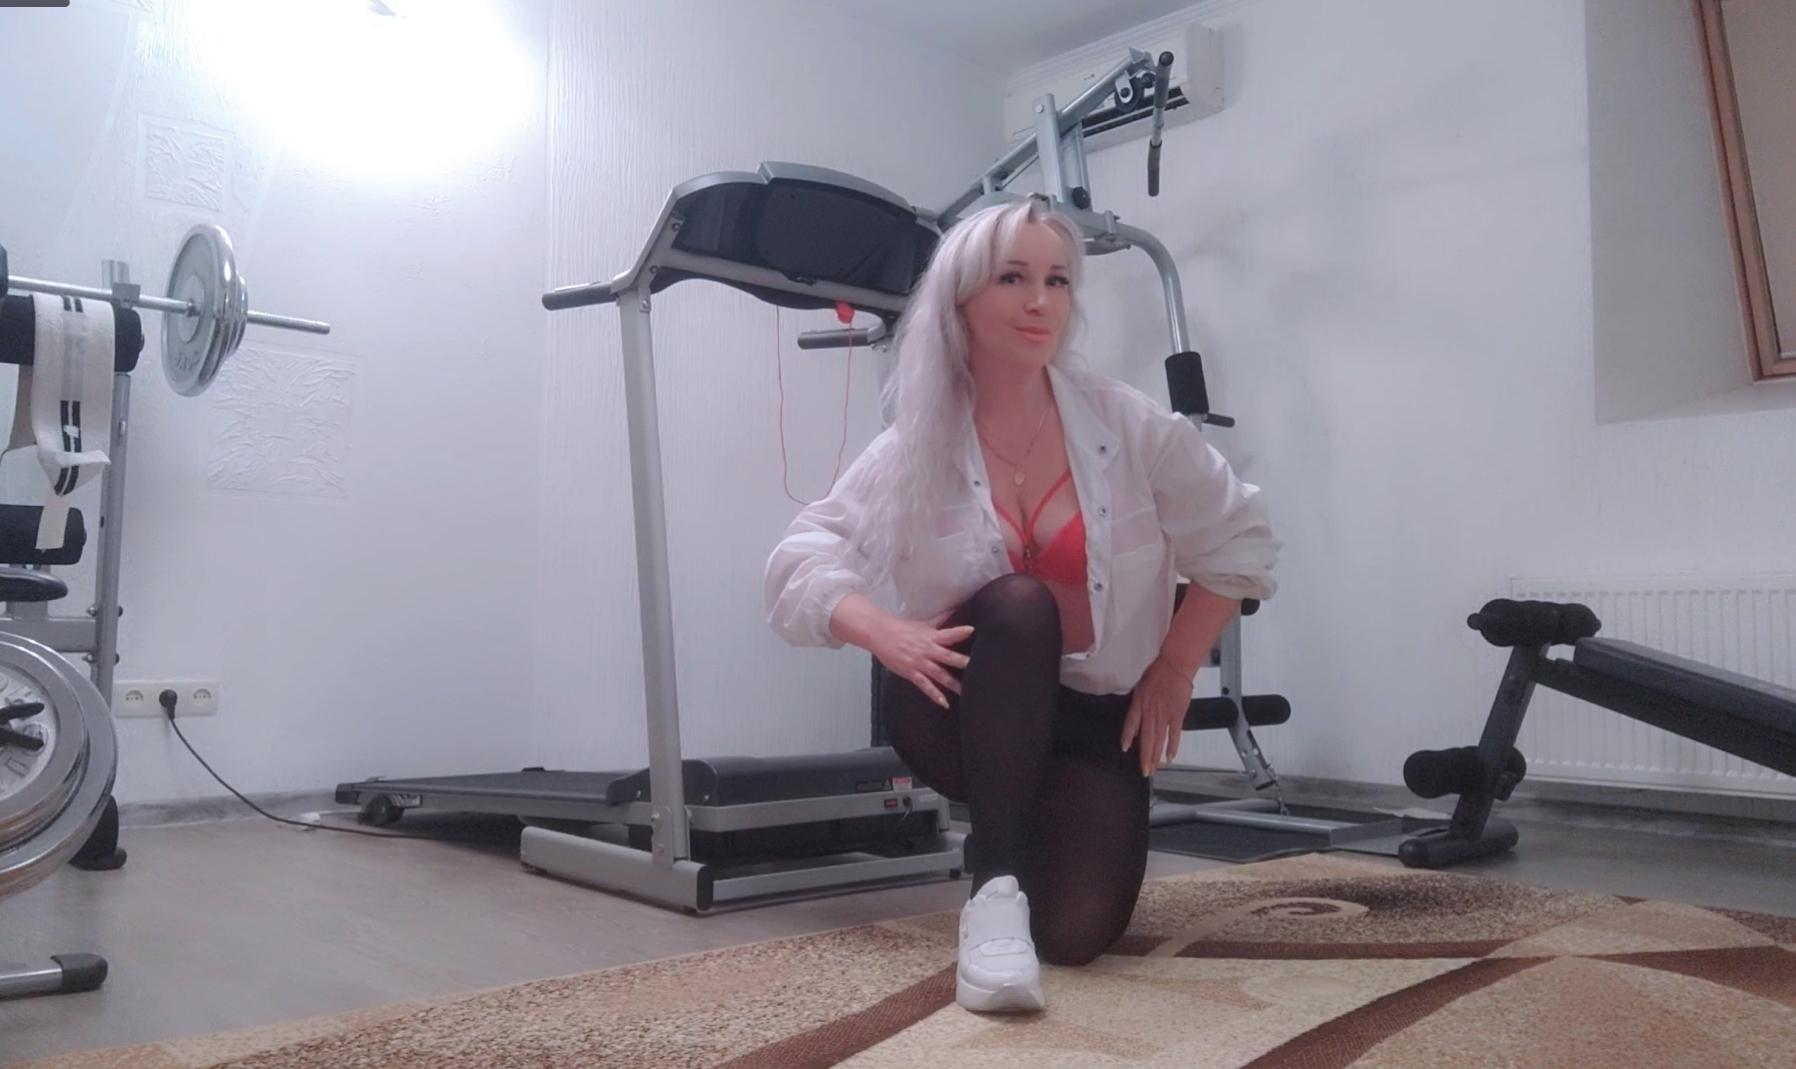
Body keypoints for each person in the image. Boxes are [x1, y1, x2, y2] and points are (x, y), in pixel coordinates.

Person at [763, 197, 1278, 1013]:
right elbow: (797, 562)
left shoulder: (1126, 424)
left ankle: (1023, 844)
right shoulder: (918, 445)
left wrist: (1176, 668)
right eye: (1013, 278)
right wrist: (884, 631)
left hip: (1093, 721)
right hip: (956, 707)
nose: (1041, 301)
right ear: (961, 298)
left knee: (1075, 933)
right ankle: (994, 884)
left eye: (1058, 281)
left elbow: (1241, 537)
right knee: (1020, 604)